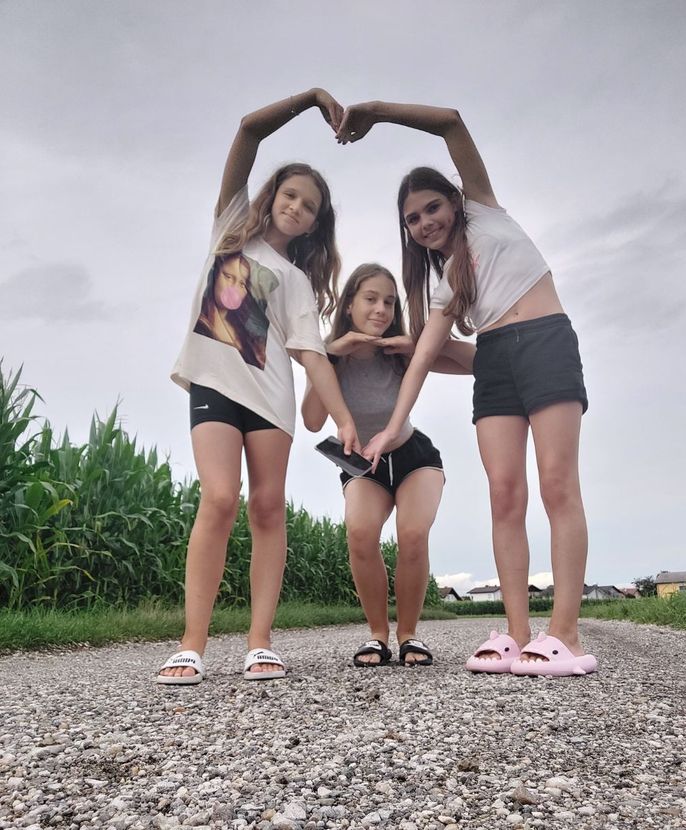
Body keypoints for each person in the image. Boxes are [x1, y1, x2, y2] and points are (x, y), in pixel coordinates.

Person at [335, 101, 597, 677]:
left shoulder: (484, 211)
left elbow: (452, 122)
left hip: (546, 339)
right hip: (495, 362)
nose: (426, 222)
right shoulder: (436, 277)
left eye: (432, 208)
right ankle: (521, 634)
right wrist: (385, 431)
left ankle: (568, 633)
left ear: (454, 200)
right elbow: (427, 354)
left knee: (557, 485)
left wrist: (375, 112)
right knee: (505, 494)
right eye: (413, 219)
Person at [158, 89, 359, 685]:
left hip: (271, 400)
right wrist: (311, 101)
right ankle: (193, 643)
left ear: (317, 223)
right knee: (219, 498)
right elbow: (247, 132)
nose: (297, 207)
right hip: (214, 385)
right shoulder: (228, 232)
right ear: (271, 196)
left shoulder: (297, 280)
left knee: (268, 509)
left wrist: (344, 418)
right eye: (290, 195)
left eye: (311, 206)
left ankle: (259, 642)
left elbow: (310, 356)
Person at [302, 263, 474, 667]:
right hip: (364, 466)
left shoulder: (399, 349)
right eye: (371, 299)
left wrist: (421, 346)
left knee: (412, 534)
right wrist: (330, 356)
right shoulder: (329, 356)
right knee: (360, 534)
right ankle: (378, 635)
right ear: (348, 306)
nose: (381, 309)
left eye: (389, 301)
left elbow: (475, 362)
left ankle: (409, 635)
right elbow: (312, 420)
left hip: (415, 457)